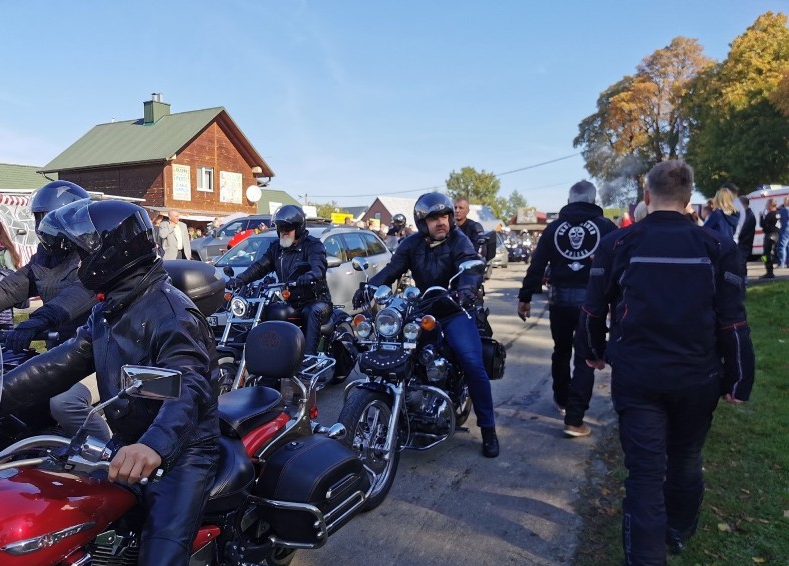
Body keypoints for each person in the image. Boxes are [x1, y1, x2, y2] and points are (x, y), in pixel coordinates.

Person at [0, 199, 222, 566]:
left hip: (182, 452)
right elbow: (59, 363)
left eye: (82, 253)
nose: (76, 263)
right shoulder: (113, 305)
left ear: (112, 253)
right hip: (128, 444)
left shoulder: (170, 313)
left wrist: (153, 446)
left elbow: (189, 386)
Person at [576, 159, 754, 566]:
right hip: (696, 376)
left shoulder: (619, 242)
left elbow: (592, 308)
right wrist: (739, 379)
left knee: (646, 469)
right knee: (684, 458)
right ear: (690, 198)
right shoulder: (716, 245)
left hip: (642, 376)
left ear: (648, 196)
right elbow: (733, 319)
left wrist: (592, 352)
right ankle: (675, 532)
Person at [354, 192, 499, 458]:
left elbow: (471, 270)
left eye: (444, 216)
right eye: (434, 218)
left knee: (472, 362)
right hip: (422, 308)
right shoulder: (411, 244)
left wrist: (464, 291)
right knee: (397, 348)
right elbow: (392, 270)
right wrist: (369, 288)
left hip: (455, 309)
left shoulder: (459, 240)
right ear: (423, 222)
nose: (441, 222)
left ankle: (488, 428)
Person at [0, 180, 106, 437]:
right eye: (41, 219)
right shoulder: (44, 257)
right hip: (62, 352)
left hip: (99, 354)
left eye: (53, 220)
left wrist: (39, 320)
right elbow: (8, 289)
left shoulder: (93, 256)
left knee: (64, 403)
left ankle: (105, 459)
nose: (45, 227)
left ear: (75, 220)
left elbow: (81, 292)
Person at [517, 180, 617, 437]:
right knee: (586, 356)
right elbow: (619, 269)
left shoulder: (553, 228)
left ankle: (562, 399)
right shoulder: (607, 228)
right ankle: (574, 419)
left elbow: (537, 265)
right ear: (594, 200)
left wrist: (525, 296)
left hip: (559, 301)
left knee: (561, 350)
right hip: (591, 304)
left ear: (570, 200)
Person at [225, 205, 331, 355]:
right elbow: (260, 267)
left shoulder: (313, 246)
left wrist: (309, 276)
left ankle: (308, 359)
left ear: (298, 228)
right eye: (280, 227)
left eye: (287, 228)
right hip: (290, 301)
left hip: (316, 300)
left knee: (311, 312)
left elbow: (318, 267)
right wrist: (240, 280)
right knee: (268, 311)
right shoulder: (276, 248)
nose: (283, 231)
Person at [736, 196, 756, 281]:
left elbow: (742, 230)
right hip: (744, 243)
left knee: (741, 263)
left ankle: (743, 281)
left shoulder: (748, 215)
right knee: (740, 263)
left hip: (744, 243)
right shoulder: (746, 214)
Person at [760, 198, 779, 279]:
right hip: (776, 235)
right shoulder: (778, 213)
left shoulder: (770, 214)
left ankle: (769, 272)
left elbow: (763, 224)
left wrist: (761, 217)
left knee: (766, 254)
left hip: (770, 235)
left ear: (771, 205)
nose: (766, 206)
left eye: (767, 204)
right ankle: (769, 271)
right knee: (768, 254)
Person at [777, 196, 789, 268]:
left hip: (785, 229)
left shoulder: (784, 210)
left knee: (782, 246)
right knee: (787, 246)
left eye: (785, 201)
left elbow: (777, 214)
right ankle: (787, 262)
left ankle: (782, 263)